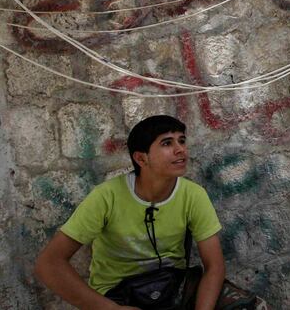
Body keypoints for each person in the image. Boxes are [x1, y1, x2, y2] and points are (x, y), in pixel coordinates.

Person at [34, 115, 226, 309]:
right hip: (116, 294)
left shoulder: (194, 195)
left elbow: (214, 266)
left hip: (172, 289)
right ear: (141, 158)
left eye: (182, 141)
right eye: (167, 143)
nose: (180, 150)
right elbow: (49, 264)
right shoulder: (106, 196)